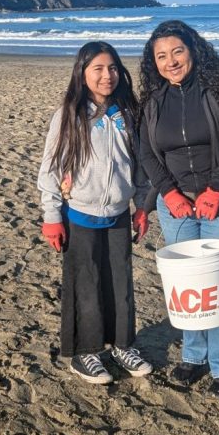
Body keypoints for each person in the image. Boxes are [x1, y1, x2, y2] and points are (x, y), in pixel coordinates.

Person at [138, 20, 219, 401]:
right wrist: (169, 194)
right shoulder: (152, 102)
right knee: (187, 287)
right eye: (161, 56)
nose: (170, 61)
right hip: (174, 206)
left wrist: (215, 190)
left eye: (177, 51)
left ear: (193, 50)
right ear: (153, 63)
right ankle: (194, 355)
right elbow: (145, 152)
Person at [38, 41, 153, 386]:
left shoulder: (128, 113)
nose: (107, 76)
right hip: (80, 216)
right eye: (98, 69)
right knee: (86, 285)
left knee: (121, 285)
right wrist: (52, 217)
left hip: (118, 214)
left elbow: (141, 168)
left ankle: (122, 346)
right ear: (82, 73)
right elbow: (52, 169)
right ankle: (84, 354)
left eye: (113, 68)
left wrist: (142, 206)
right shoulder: (69, 114)